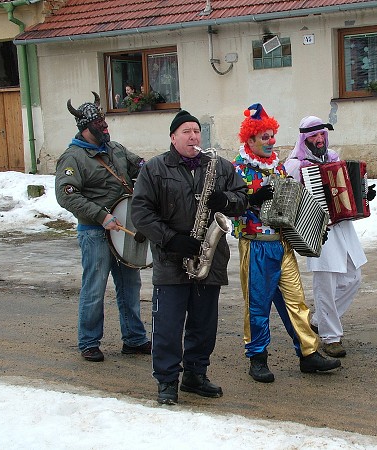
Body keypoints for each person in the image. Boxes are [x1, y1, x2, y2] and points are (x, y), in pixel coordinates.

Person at [130, 110, 247, 405]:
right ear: (173, 137)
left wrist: (227, 200)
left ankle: (196, 375)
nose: (193, 136)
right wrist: (172, 239)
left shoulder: (219, 166)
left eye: (196, 131)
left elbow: (242, 197)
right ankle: (167, 380)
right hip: (171, 258)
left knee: (204, 324)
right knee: (168, 324)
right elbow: (140, 212)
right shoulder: (155, 168)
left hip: (210, 258)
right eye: (186, 131)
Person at [231, 104, 341, 383]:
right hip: (256, 246)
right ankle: (257, 358)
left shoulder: (279, 168)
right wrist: (249, 201)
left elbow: (291, 207)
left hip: (282, 245)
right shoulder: (237, 169)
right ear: (250, 140)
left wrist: (312, 231)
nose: (270, 142)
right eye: (264, 137)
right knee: (257, 306)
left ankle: (308, 354)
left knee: (297, 303)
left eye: (272, 136)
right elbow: (227, 205)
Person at [55, 91, 151, 362]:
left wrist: (148, 170)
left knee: (130, 286)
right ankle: (88, 342)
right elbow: (67, 194)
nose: (105, 129)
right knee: (95, 288)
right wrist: (100, 215)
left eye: (106, 125)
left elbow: (139, 166)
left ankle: (133, 339)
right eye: (100, 126)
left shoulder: (115, 149)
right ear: (86, 129)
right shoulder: (72, 158)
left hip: (124, 228)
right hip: (96, 232)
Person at [284, 116, 376, 358]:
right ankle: (330, 337)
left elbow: (348, 190)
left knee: (353, 276)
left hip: (343, 227)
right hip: (317, 227)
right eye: (313, 136)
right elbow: (289, 199)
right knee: (326, 283)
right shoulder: (295, 166)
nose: (319, 139)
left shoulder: (334, 159)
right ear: (304, 138)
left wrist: (364, 195)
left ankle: (318, 321)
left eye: (322, 134)